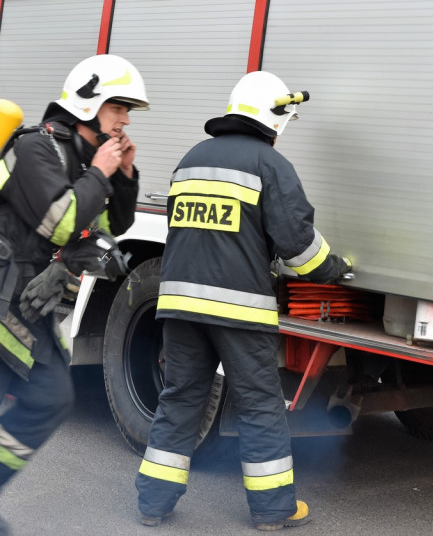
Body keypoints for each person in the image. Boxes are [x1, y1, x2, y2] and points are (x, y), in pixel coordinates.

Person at [0, 54, 150, 536]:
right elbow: (62, 223)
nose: (125, 118)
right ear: (88, 105)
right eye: (118, 106)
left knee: (50, 395)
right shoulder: (35, 150)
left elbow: (110, 226)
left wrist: (123, 175)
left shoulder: (82, 163)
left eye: (127, 109)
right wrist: (100, 174)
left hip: (22, 305)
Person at [135, 71, 351, 531]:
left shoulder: (191, 159)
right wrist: (334, 269)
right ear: (273, 118)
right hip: (238, 311)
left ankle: (154, 503)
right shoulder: (269, 165)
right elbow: (297, 245)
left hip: (179, 305)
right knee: (258, 406)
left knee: (179, 400)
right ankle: (274, 510)